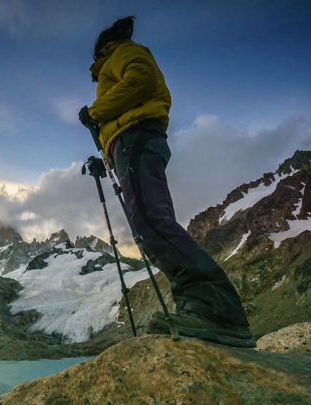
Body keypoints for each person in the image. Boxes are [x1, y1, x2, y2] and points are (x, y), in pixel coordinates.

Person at [78, 16, 255, 348]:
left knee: (151, 223)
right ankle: (196, 307)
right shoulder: (115, 62)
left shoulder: (121, 53)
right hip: (131, 146)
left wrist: (96, 111)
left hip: (138, 141)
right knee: (149, 227)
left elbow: (141, 81)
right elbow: (124, 115)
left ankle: (216, 312)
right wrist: (104, 155)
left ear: (102, 47)